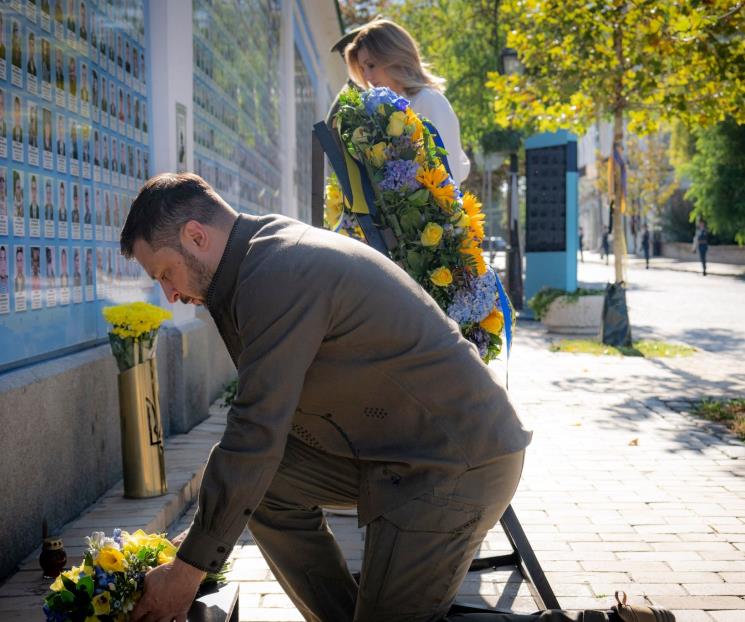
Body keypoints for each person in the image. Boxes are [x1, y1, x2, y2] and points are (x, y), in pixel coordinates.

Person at [122, 173, 531, 622]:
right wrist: (203, 537)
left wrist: (187, 573)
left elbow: (255, 432)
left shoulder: (279, 272)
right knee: (266, 487)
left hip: (456, 460)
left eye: (166, 273)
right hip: (403, 452)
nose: (171, 295)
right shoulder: (259, 260)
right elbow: (261, 452)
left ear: (196, 236)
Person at [343, 18, 470, 186]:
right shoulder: (385, 111)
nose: (366, 77)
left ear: (394, 57)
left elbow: (446, 176)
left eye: (371, 65)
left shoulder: (428, 100)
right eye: (362, 69)